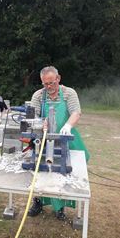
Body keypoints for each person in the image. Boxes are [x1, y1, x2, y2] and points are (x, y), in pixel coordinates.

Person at [28, 65, 90, 220]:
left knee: (66, 170)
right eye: (45, 84)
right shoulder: (38, 95)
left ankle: (60, 207)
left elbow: (76, 112)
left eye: (52, 83)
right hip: (44, 138)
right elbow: (33, 115)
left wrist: (68, 126)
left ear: (58, 79)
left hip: (65, 136)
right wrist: (38, 123)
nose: (49, 87)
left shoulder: (69, 93)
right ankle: (38, 201)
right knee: (40, 169)